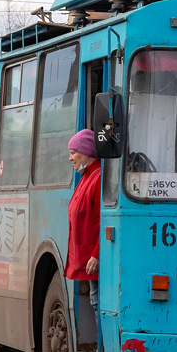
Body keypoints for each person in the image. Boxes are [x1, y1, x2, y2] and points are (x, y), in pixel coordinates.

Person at [65, 129, 101, 315]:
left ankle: (101, 345)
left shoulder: (98, 178)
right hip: (89, 259)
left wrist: (96, 254)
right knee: (95, 301)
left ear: (86, 152)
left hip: (94, 259)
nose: (71, 159)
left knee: (98, 302)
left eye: (73, 153)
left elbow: (104, 220)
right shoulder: (87, 177)